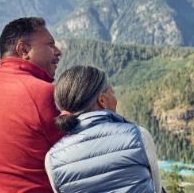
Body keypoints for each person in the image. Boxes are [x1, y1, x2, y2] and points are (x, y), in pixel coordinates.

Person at [0, 17, 66, 193]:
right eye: (50, 44)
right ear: (23, 50)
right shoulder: (43, 94)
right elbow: (82, 153)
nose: (58, 51)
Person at [45, 65, 163, 193]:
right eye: (111, 92)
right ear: (102, 100)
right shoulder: (139, 136)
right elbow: (156, 188)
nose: (115, 99)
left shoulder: (52, 159)